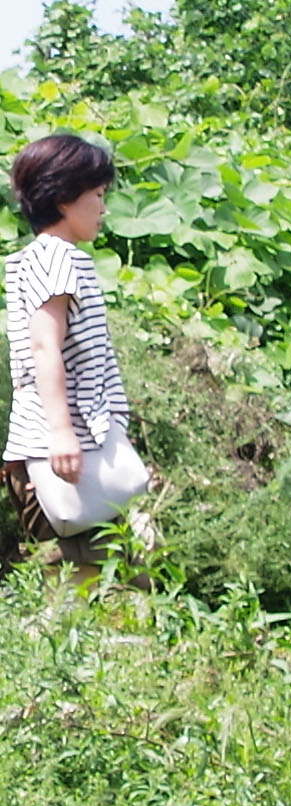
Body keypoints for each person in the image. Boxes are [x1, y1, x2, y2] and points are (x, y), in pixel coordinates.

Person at [4, 132, 138, 579]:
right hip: (61, 452)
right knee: (83, 582)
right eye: (97, 195)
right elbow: (45, 347)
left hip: (72, 446)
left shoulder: (49, 257)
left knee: (110, 577)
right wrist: (61, 434)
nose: (103, 208)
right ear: (64, 198)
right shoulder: (56, 258)